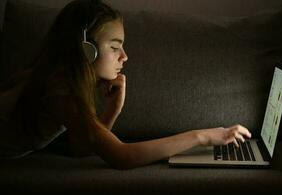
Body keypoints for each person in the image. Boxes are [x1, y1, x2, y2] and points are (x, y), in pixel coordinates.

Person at [0, 0, 251, 169]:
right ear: (86, 50)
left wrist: (112, 109)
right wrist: (203, 136)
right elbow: (123, 157)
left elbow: (81, 147)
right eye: (115, 47)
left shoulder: (66, 81)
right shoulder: (58, 90)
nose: (125, 56)